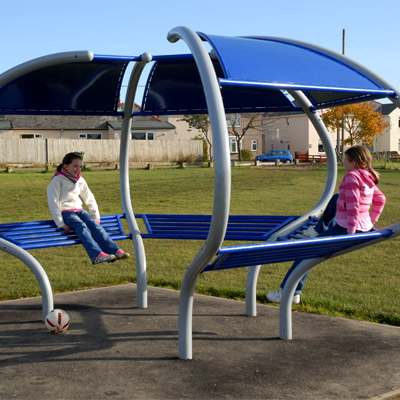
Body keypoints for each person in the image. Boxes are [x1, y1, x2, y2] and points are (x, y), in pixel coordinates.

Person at [266, 145, 386, 304]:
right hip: (363, 226)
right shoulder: (368, 176)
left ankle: (290, 292)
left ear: (354, 163)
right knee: (337, 197)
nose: (343, 163)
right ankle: (318, 230)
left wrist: (349, 233)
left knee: (306, 250)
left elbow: (353, 206)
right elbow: (381, 199)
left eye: (345, 160)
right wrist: (372, 221)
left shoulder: (351, 177)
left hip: (345, 229)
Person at [47, 152, 130, 265]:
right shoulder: (57, 180)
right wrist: (60, 223)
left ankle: (115, 251)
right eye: (75, 166)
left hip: (79, 210)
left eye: (80, 166)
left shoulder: (80, 180)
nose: (78, 169)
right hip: (66, 212)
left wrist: (95, 215)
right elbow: (53, 202)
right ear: (65, 166)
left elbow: (89, 198)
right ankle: (96, 255)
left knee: (96, 227)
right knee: (82, 227)